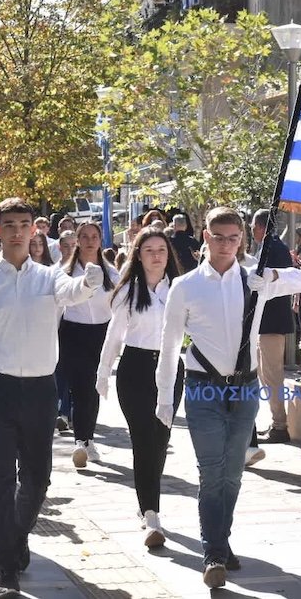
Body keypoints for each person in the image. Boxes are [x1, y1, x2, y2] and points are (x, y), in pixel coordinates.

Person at [0, 197, 104, 597]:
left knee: (38, 478)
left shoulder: (48, 278)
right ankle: (6, 565)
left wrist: (89, 282)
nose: (18, 232)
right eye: (10, 225)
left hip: (39, 390)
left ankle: (14, 539)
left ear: (34, 230)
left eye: (25, 224)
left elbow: (72, 291)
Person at [154, 206, 301, 589]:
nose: (226, 245)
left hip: (245, 387)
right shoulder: (186, 286)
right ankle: (213, 553)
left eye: (233, 238)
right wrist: (164, 400)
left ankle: (220, 542)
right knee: (211, 473)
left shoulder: (253, 278)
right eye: (219, 237)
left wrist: (271, 277)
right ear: (205, 237)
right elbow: (169, 347)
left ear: (242, 240)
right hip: (202, 386)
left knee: (233, 474)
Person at [96, 227, 183, 548]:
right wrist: (102, 373)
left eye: (161, 250)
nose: (156, 256)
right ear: (138, 255)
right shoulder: (128, 292)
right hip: (135, 370)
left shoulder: (180, 289)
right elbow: (114, 335)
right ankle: (151, 514)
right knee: (143, 440)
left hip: (171, 369)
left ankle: (146, 496)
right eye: (149, 250)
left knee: (160, 441)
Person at [60, 222, 120, 468]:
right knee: (79, 387)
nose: (89, 241)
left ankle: (88, 438)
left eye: (94, 236)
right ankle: (80, 440)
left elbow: (119, 303)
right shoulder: (65, 271)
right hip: (73, 333)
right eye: (84, 236)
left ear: (100, 240)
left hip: (101, 335)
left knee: (94, 387)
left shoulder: (111, 273)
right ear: (77, 240)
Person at [250, 209, 296, 445]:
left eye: (252, 226)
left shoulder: (273, 249)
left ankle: (280, 426)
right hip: (265, 322)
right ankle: (276, 422)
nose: (251, 231)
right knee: (265, 375)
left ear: (260, 227)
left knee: (272, 375)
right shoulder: (268, 247)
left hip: (272, 321)